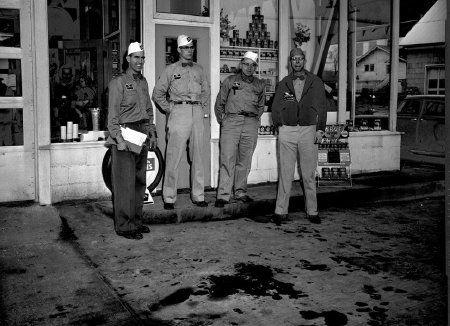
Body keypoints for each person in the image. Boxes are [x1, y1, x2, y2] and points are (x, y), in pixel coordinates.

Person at [105, 42, 157, 240]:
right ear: (128, 58)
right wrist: (118, 138)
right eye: (136, 57)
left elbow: (148, 111)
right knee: (124, 183)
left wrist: (152, 132)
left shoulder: (143, 82)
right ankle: (124, 226)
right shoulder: (118, 83)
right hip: (125, 133)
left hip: (141, 131)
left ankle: (136, 221)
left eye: (142, 57)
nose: (140, 61)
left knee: (138, 181)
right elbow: (112, 115)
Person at [152, 34, 210, 210]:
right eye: (185, 48)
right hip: (179, 112)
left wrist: (202, 109)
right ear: (178, 50)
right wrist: (171, 109)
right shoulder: (170, 70)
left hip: (197, 113)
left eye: (191, 47)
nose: (189, 50)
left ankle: (198, 196)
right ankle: (169, 197)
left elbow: (206, 91)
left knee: (199, 155)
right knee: (173, 156)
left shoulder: (199, 69)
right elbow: (157, 93)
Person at [271, 48, 327, 225]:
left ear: (305, 60)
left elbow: (322, 106)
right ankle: (280, 211)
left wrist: (320, 129)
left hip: (308, 130)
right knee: (285, 173)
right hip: (287, 130)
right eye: (294, 59)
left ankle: (312, 211)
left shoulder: (315, 81)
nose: (297, 62)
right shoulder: (284, 82)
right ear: (290, 62)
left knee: (309, 174)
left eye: (300, 59)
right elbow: (275, 106)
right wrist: (279, 124)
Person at [214, 51, 265, 207]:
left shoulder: (259, 84)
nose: (249, 68)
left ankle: (240, 192)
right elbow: (219, 103)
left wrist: (255, 119)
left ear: (255, 67)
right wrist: (223, 120)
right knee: (227, 158)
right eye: (246, 64)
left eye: (253, 65)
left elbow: (261, 106)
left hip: (250, 123)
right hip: (231, 121)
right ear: (241, 64)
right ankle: (223, 195)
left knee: (244, 160)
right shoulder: (230, 81)